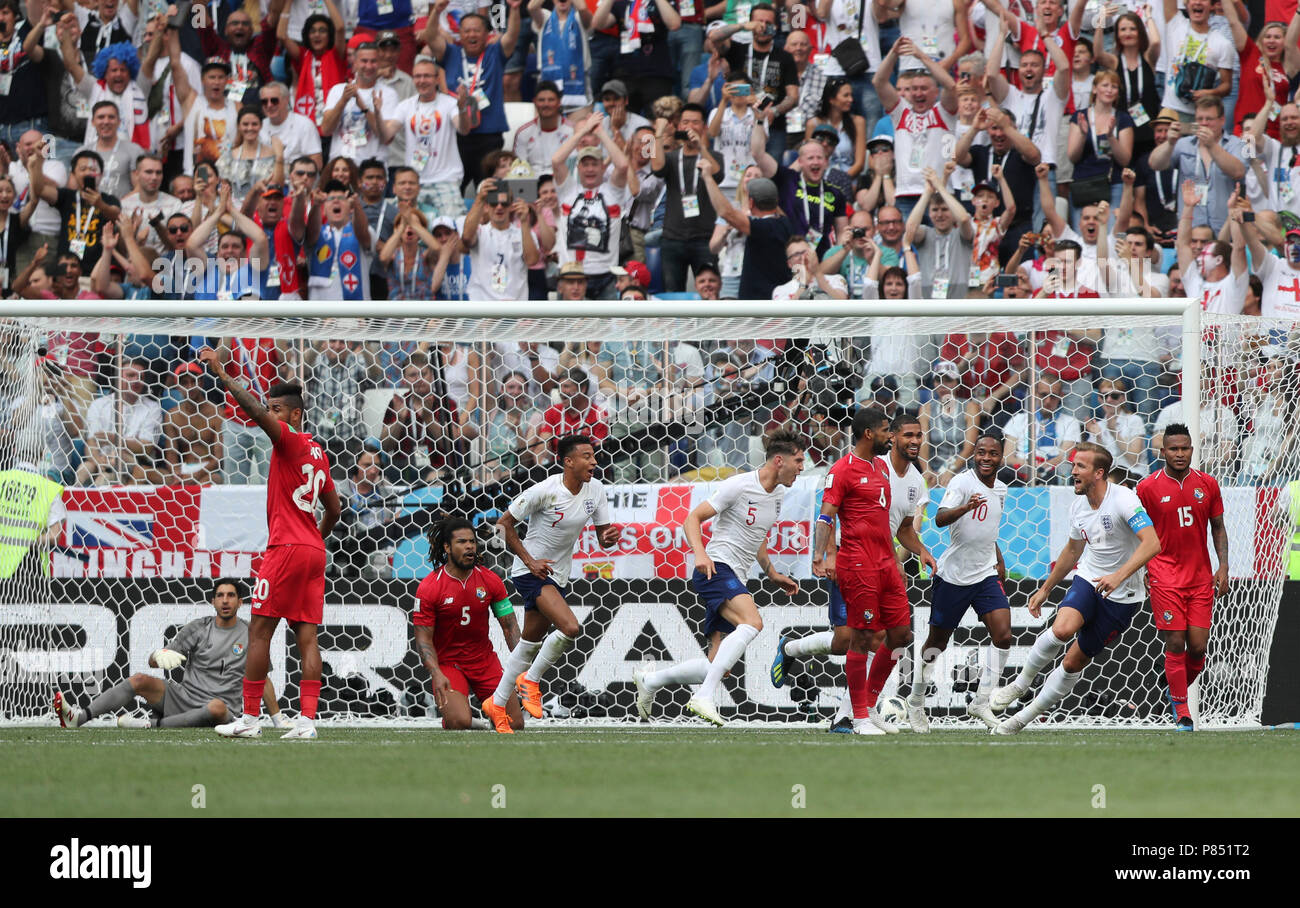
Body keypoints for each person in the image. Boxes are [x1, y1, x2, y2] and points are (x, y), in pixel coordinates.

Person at [199, 353, 341, 741]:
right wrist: (314, 536)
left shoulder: (289, 440)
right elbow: (335, 508)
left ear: (295, 415)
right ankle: (308, 723)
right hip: (313, 551)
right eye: (271, 408)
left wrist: (223, 375)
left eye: (277, 409)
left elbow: (253, 412)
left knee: (259, 633)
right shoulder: (317, 451)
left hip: (286, 549)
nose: (270, 414)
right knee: (307, 637)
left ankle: (249, 718)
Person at [634, 429, 806, 724]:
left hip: (735, 576)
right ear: (779, 460)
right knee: (753, 622)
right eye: (799, 461)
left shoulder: (778, 495)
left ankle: (650, 680)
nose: (802, 468)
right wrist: (700, 554)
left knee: (718, 664)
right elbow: (692, 518)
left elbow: (758, 535)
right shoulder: (739, 485)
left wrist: (772, 572)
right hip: (716, 568)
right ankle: (703, 697)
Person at [991, 442, 1161, 734]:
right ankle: (1020, 684)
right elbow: (1072, 550)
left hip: (1123, 594)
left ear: (1099, 473)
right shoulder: (1078, 506)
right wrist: (1045, 589)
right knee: (1061, 630)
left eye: (1080, 466)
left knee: (1072, 663)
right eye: (1073, 465)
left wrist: (1120, 575)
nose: (1073, 472)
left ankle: (1021, 719)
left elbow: (1153, 543)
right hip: (1089, 577)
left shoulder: (1124, 500)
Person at [809, 407, 927, 734]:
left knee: (901, 634)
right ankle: (858, 717)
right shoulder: (842, 470)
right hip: (857, 562)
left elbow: (885, 523)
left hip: (886, 563)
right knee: (861, 637)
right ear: (868, 434)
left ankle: (870, 706)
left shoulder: (882, 469)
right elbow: (825, 516)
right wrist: (821, 555)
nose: (891, 436)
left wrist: (896, 561)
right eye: (887, 430)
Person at [488, 435, 620, 722]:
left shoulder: (595, 490)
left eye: (594, 456)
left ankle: (496, 704)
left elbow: (603, 537)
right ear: (568, 461)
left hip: (557, 575)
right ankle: (531, 681)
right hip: (531, 573)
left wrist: (609, 537)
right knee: (571, 627)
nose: (594, 461)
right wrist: (529, 560)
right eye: (587, 456)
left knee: (528, 644)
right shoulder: (545, 491)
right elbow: (502, 524)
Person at [53, 579, 289, 730]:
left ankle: (148, 724)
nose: (225, 600)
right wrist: (158, 655)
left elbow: (262, 678)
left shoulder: (251, 633)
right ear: (213, 601)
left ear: (240, 602)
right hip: (184, 698)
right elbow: (156, 661)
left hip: (223, 708)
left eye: (230, 596)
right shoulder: (198, 628)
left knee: (216, 707)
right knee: (139, 680)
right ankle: (79, 717)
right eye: (220, 596)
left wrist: (277, 719)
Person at [907, 431, 1010, 732]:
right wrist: (965, 507)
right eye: (980, 453)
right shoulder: (962, 483)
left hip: (985, 573)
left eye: (992, 453)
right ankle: (915, 701)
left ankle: (981, 701)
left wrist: (999, 558)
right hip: (953, 575)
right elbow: (939, 519)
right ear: (973, 454)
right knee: (936, 643)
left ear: (1001, 457)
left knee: (1003, 635)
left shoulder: (1001, 489)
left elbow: (988, 529)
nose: (986, 458)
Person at [1134, 423, 1228, 731]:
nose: (1179, 454)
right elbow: (1138, 533)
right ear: (1162, 452)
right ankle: (1182, 712)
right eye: (1173, 449)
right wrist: (1145, 568)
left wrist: (1223, 567)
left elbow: (1217, 528)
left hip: (1200, 577)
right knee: (1175, 641)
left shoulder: (1207, 484)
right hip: (1164, 575)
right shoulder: (1147, 487)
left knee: (1198, 648)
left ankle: (1174, 690)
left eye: (1184, 448)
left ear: (1191, 449)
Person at [414, 519, 526, 733]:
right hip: (450, 665)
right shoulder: (430, 587)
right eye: (462, 542)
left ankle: (490, 711)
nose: (469, 547)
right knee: (459, 723)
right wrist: (436, 673)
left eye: (472, 542)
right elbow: (423, 639)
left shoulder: (491, 580)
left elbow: (510, 626)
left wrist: (521, 668)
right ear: (447, 547)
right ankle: (461, 717)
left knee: (515, 725)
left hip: (485, 663)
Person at [1147, 97, 1245, 234]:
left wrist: (1212, 145)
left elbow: (1238, 171)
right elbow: (1154, 164)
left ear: (1222, 120)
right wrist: (1169, 143)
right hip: (1191, 230)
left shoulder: (1236, 144)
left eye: (1209, 119)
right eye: (1200, 119)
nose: (1204, 124)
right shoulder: (1184, 144)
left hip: (1225, 228)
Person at [461, 178, 540, 301]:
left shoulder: (523, 233)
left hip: (514, 312)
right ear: (487, 206)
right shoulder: (480, 231)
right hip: (482, 311)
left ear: (511, 206)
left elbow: (531, 260)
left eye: (504, 203)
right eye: (493, 203)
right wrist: (480, 199)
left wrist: (524, 221)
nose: (499, 207)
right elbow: (466, 237)